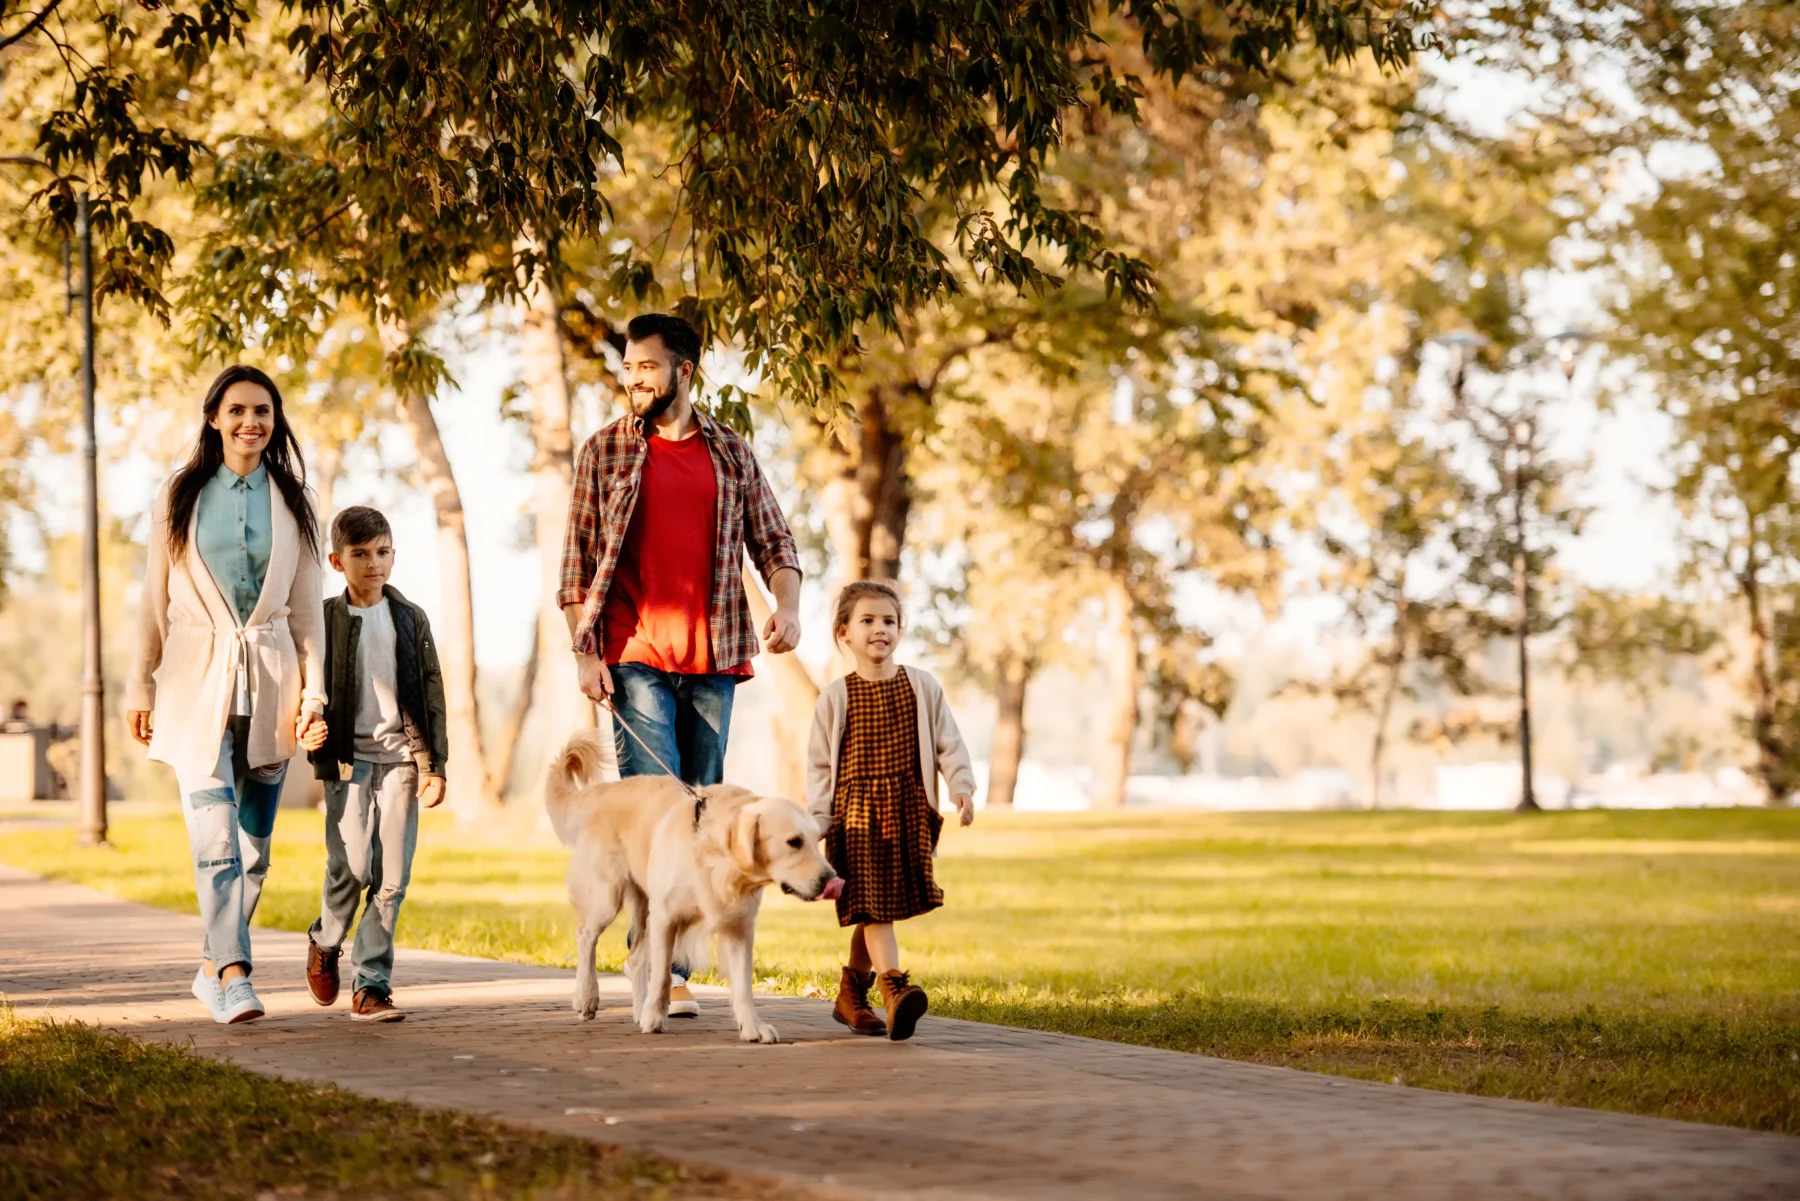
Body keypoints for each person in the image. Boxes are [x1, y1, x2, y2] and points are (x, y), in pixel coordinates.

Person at [559, 313, 804, 1018]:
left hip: (716, 659)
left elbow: (776, 544)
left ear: (685, 373)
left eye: (648, 368)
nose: (634, 379)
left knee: (702, 813)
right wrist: (586, 655)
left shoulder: (731, 453)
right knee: (658, 808)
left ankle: (664, 959)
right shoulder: (604, 450)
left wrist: (786, 607)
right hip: (634, 654)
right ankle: (661, 970)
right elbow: (575, 564)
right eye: (629, 368)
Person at [126, 364, 329, 1025]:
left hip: (273, 685)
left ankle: (214, 960)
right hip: (193, 682)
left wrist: (314, 694)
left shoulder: (296, 501)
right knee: (213, 832)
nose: (251, 422)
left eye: (263, 411)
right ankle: (236, 974)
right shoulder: (178, 494)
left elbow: (306, 612)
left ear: (275, 421)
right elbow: (152, 598)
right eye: (238, 409)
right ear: (213, 416)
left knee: (252, 848)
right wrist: (140, 683)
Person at [806, 580, 976, 1041]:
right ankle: (895, 990)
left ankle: (850, 996)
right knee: (875, 906)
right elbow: (820, 767)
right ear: (844, 632)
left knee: (875, 905)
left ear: (900, 630)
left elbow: (948, 741)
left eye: (888, 621)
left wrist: (960, 787)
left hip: (907, 810)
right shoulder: (834, 697)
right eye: (867, 620)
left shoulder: (922, 686)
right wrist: (817, 823)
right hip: (854, 817)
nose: (879, 629)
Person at [304, 505, 448, 1023]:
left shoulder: (409, 618)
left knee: (391, 879)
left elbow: (431, 692)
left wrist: (435, 766)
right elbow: (306, 688)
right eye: (360, 555)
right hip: (346, 762)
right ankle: (325, 940)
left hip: (401, 763)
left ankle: (372, 986)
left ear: (394, 555)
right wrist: (308, 727)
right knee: (353, 867)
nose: (373, 564)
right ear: (336, 561)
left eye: (382, 552)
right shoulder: (322, 619)